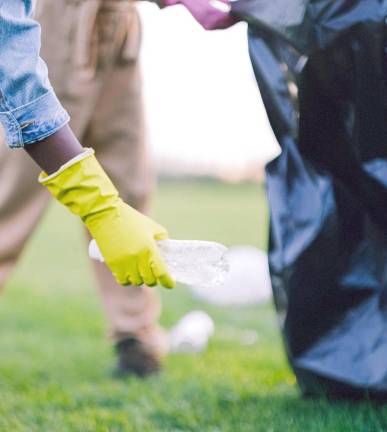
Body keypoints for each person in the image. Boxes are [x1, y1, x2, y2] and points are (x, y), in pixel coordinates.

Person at [0, 0, 237, 375]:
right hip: (62, 17)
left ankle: (135, 334)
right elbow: (18, 83)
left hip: (121, 16)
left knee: (128, 181)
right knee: (13, 195)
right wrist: (98, 205)